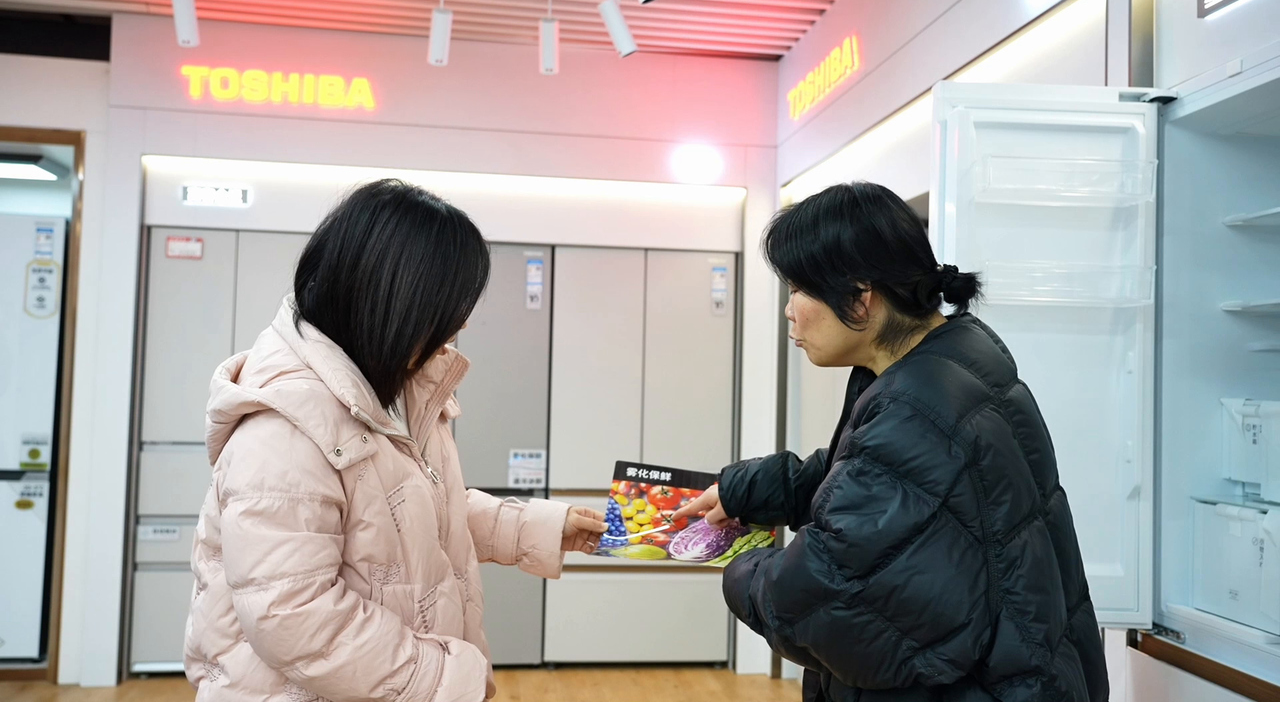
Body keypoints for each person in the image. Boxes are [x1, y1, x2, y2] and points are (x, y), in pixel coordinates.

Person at [676, 182, 1109, 702]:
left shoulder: (914, 411)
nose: (789, 310)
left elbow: (820, 598)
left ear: (860, 300)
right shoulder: (951, 361)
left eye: (797, 290)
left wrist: (738, 565)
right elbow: (880, 481)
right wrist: (746, 490)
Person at [185, 179, 607, 702]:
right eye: (447, 306)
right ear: (391, 301)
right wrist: (447, 679)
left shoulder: (392, 391)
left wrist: (533, 527)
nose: (460, 323)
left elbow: (407, 515)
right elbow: (295, 618)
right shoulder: (285, 429)